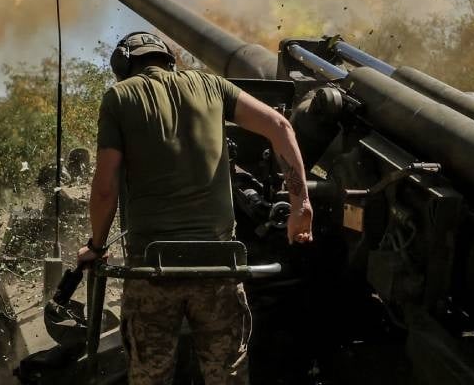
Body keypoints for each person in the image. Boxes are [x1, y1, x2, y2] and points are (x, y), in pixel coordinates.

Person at [77, 31, 314, 385]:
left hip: (154, 269)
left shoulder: (119, 97)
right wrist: (301, 204)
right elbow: (279, 126)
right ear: (170, 60)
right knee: (228, 376)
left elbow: (105, 188)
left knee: (150, 377)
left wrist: (96, 247)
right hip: (220, 265)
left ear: (123, 65)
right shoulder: (214, 86)